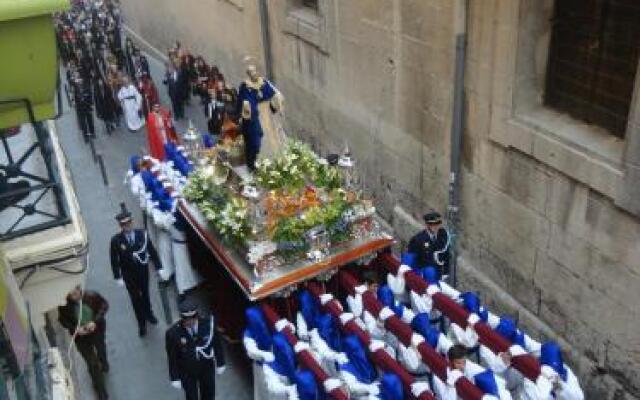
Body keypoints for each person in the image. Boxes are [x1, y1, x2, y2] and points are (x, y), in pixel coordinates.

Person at [109, 202, 162, 337]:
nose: (126, 226)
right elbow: (114, 259)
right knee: (135, 299)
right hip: (128, 274)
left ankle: (149, 314)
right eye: (123, 225)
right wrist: (117, 277)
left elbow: (151, 250)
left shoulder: (141, 235)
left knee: (145, 294)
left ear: (131, 222)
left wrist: (158, 267)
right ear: (120, 226)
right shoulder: (116, 240)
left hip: (143, 271)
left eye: (128, 223)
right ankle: (141, 323)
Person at [165, 298, 226, 400]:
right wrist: (174, 377)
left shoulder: (208, 324)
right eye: (186, 319)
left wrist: (221, 362)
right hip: (186, 371)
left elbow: (217, 344)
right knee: (191, 397)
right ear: (182, 318)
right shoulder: (173, 333)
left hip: (206, 367)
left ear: (197, 315)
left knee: (209, 394)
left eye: (193, 318)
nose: (190, 321)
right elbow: (172, 357)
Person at [58, 286, 109, 400]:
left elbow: (104, 305)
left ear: (79, 290)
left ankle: (104, 361)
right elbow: (62, 320)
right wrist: (75, 329)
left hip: (97, 331)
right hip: (81, 338)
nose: (74, 297)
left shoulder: (91, 295)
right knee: (92, 363)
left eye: (75, 294)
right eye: (71, 296)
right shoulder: (65, 306)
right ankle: (101, 390)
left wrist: (95, 322)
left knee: (100, 349)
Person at [237, 63, 285, 158]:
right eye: (251, 72)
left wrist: (278, 103)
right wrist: (247, 106)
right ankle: (264, 158)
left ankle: (279, 155)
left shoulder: (263, 82)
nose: (254, 73)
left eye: (254, 71)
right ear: (248, 74)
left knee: (275, 135)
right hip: (256, 116)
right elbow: (243, 100)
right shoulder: (245, 86)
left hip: (268, 113)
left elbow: (274, 93)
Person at [407, 211, 451, 278]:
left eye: (438, 223)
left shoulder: (443, 237)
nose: (436, 226)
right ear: (427, 225)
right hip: (424, 276)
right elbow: (413, 261)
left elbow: (446, 256)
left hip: (439, 276)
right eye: (432, 224)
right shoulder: (418, 240)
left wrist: (445, 273)